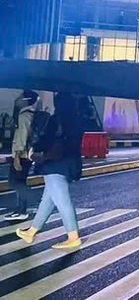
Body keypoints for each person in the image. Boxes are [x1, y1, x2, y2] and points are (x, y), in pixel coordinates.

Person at [16, 93, 84, 250]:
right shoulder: (76, 119)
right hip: (67, 164)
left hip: (54, 164)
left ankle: (73, 236)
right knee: (47, 200)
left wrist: (37, 148)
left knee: (63, 201)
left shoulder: (58, 119)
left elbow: (47, 140)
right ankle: (31, 232)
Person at [6, 90, 39, 222]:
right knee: (20, 182)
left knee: (13, 182)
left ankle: (35, 198)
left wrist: (17, 157)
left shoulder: (24, 115)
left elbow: (22, 136)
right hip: (27, 154)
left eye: (20, 96)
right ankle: (21, 210)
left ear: (25, 100)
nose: (17, 99)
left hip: (22, 155)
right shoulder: (31, 114)